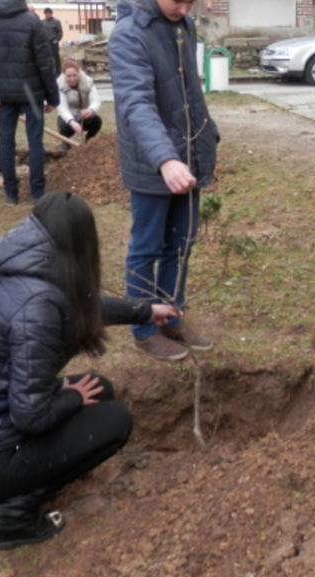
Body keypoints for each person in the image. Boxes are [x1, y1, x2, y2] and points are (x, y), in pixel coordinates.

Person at [0, 192, 181, 551]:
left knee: (101, 389)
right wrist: (71, 397)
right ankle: (11, 516)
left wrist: (143, 312)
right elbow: (30, 416)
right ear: (82, 241)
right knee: (114, 422)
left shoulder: (26, 268)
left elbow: (81, 308)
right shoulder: (38, 307)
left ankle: (5, 494)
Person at [109, 0, 219, 361]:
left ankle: (172, 316)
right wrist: (165, 158)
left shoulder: (181, 25)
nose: (185, 9)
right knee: (146, 249)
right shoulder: (129, 34)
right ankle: (143, 329)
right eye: (179, 0)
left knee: (181, 243)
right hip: (152, 163)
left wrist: (207, 135)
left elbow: (190, 92)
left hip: (188, 158)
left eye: (192, 1)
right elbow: (135, 104)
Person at [0, 0, 59, 205]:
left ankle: (11, 194)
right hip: (31, 92)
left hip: (4, 93)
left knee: (5, 141)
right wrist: (52, 96)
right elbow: (45, 62)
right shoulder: (32, 21)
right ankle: (37, 191)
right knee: (35, 141)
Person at [56, 58, 102, 141]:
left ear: (79, 73)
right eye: (68, 76)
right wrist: (72, 122)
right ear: (64, 75)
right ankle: (66, 143)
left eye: (74, 75)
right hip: (69, 115)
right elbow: (62, 108)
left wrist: (90, 110)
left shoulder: (88, 82)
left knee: (96, 121)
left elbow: (96, 101)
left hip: (85, 115)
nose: (72, 79)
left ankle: (89, 141)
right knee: (63, 126)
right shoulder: (59, 85)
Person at [41, 7, 63, 74]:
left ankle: (58, 73)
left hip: (53, 43)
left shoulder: (56, 22)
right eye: (46, 13)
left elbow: (60, 32)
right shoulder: (42, 22)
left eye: (48, 13)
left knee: (56, 59)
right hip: (45, 43)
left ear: (51, 13)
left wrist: (57, 40)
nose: (47, 15)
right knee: (46, 58)